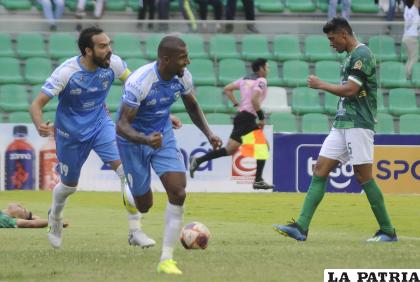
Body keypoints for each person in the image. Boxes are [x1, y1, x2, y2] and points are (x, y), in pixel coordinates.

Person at [273, 17, 397, 242]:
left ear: (344, 34)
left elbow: (351, 89)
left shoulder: (362, 54)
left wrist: (321, 85)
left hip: (359, 123)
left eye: (332, 39)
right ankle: (301, 227)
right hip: (342, 123)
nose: (331, 44)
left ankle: (388, 231)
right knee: (320, 168)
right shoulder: (350, 57)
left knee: (363, 176)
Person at [29, 27, 152, 249]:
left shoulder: (114, 64)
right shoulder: (67, 73)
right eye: (103, 46)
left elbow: (136, 85)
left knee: (126, 172)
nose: (109, 50)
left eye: (109, 44)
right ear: (88, 51)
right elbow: (36, 104)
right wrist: (39, 125)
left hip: (100, 126)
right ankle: (55, 217)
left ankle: (136, 231)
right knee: (69, 187)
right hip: (70, 134)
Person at [116, 35, 222, 275]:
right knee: (144, 206)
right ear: (165, 59)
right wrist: (144, 140)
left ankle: (166, 259)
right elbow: (121, 125)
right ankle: (129, 188)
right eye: (183, 57)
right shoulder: (140, 82)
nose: (188, 61)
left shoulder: (182, 76)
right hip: (132, 140)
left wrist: (209, 133)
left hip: (162, 135)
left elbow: (192, 105)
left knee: (178, 191)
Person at [189, 58, 274, 190]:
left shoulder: (244, 79)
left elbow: (227, 89)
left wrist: (236, 103)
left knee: (230, 150)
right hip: (248, 118)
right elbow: (254, 100)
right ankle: (258, 180)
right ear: (261, 69)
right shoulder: (261, 81)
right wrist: (262, 118)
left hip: (241, 117)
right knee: (263, 147)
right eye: (267, 67)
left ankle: (198, 160)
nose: (268, 70)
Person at [0, 203, 69, 228]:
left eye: (23, 210)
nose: (20, 206)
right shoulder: (3, 213)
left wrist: (55, 222)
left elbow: (31, 224)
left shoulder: (6, 220)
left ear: (17, 217)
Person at [402, 0, 420, 80]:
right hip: (411, 38)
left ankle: (406, 76)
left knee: (410, 58)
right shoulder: (412, 10)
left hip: (407, 37)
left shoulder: (409, 9)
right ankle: (408, 76)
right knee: (414, 58)